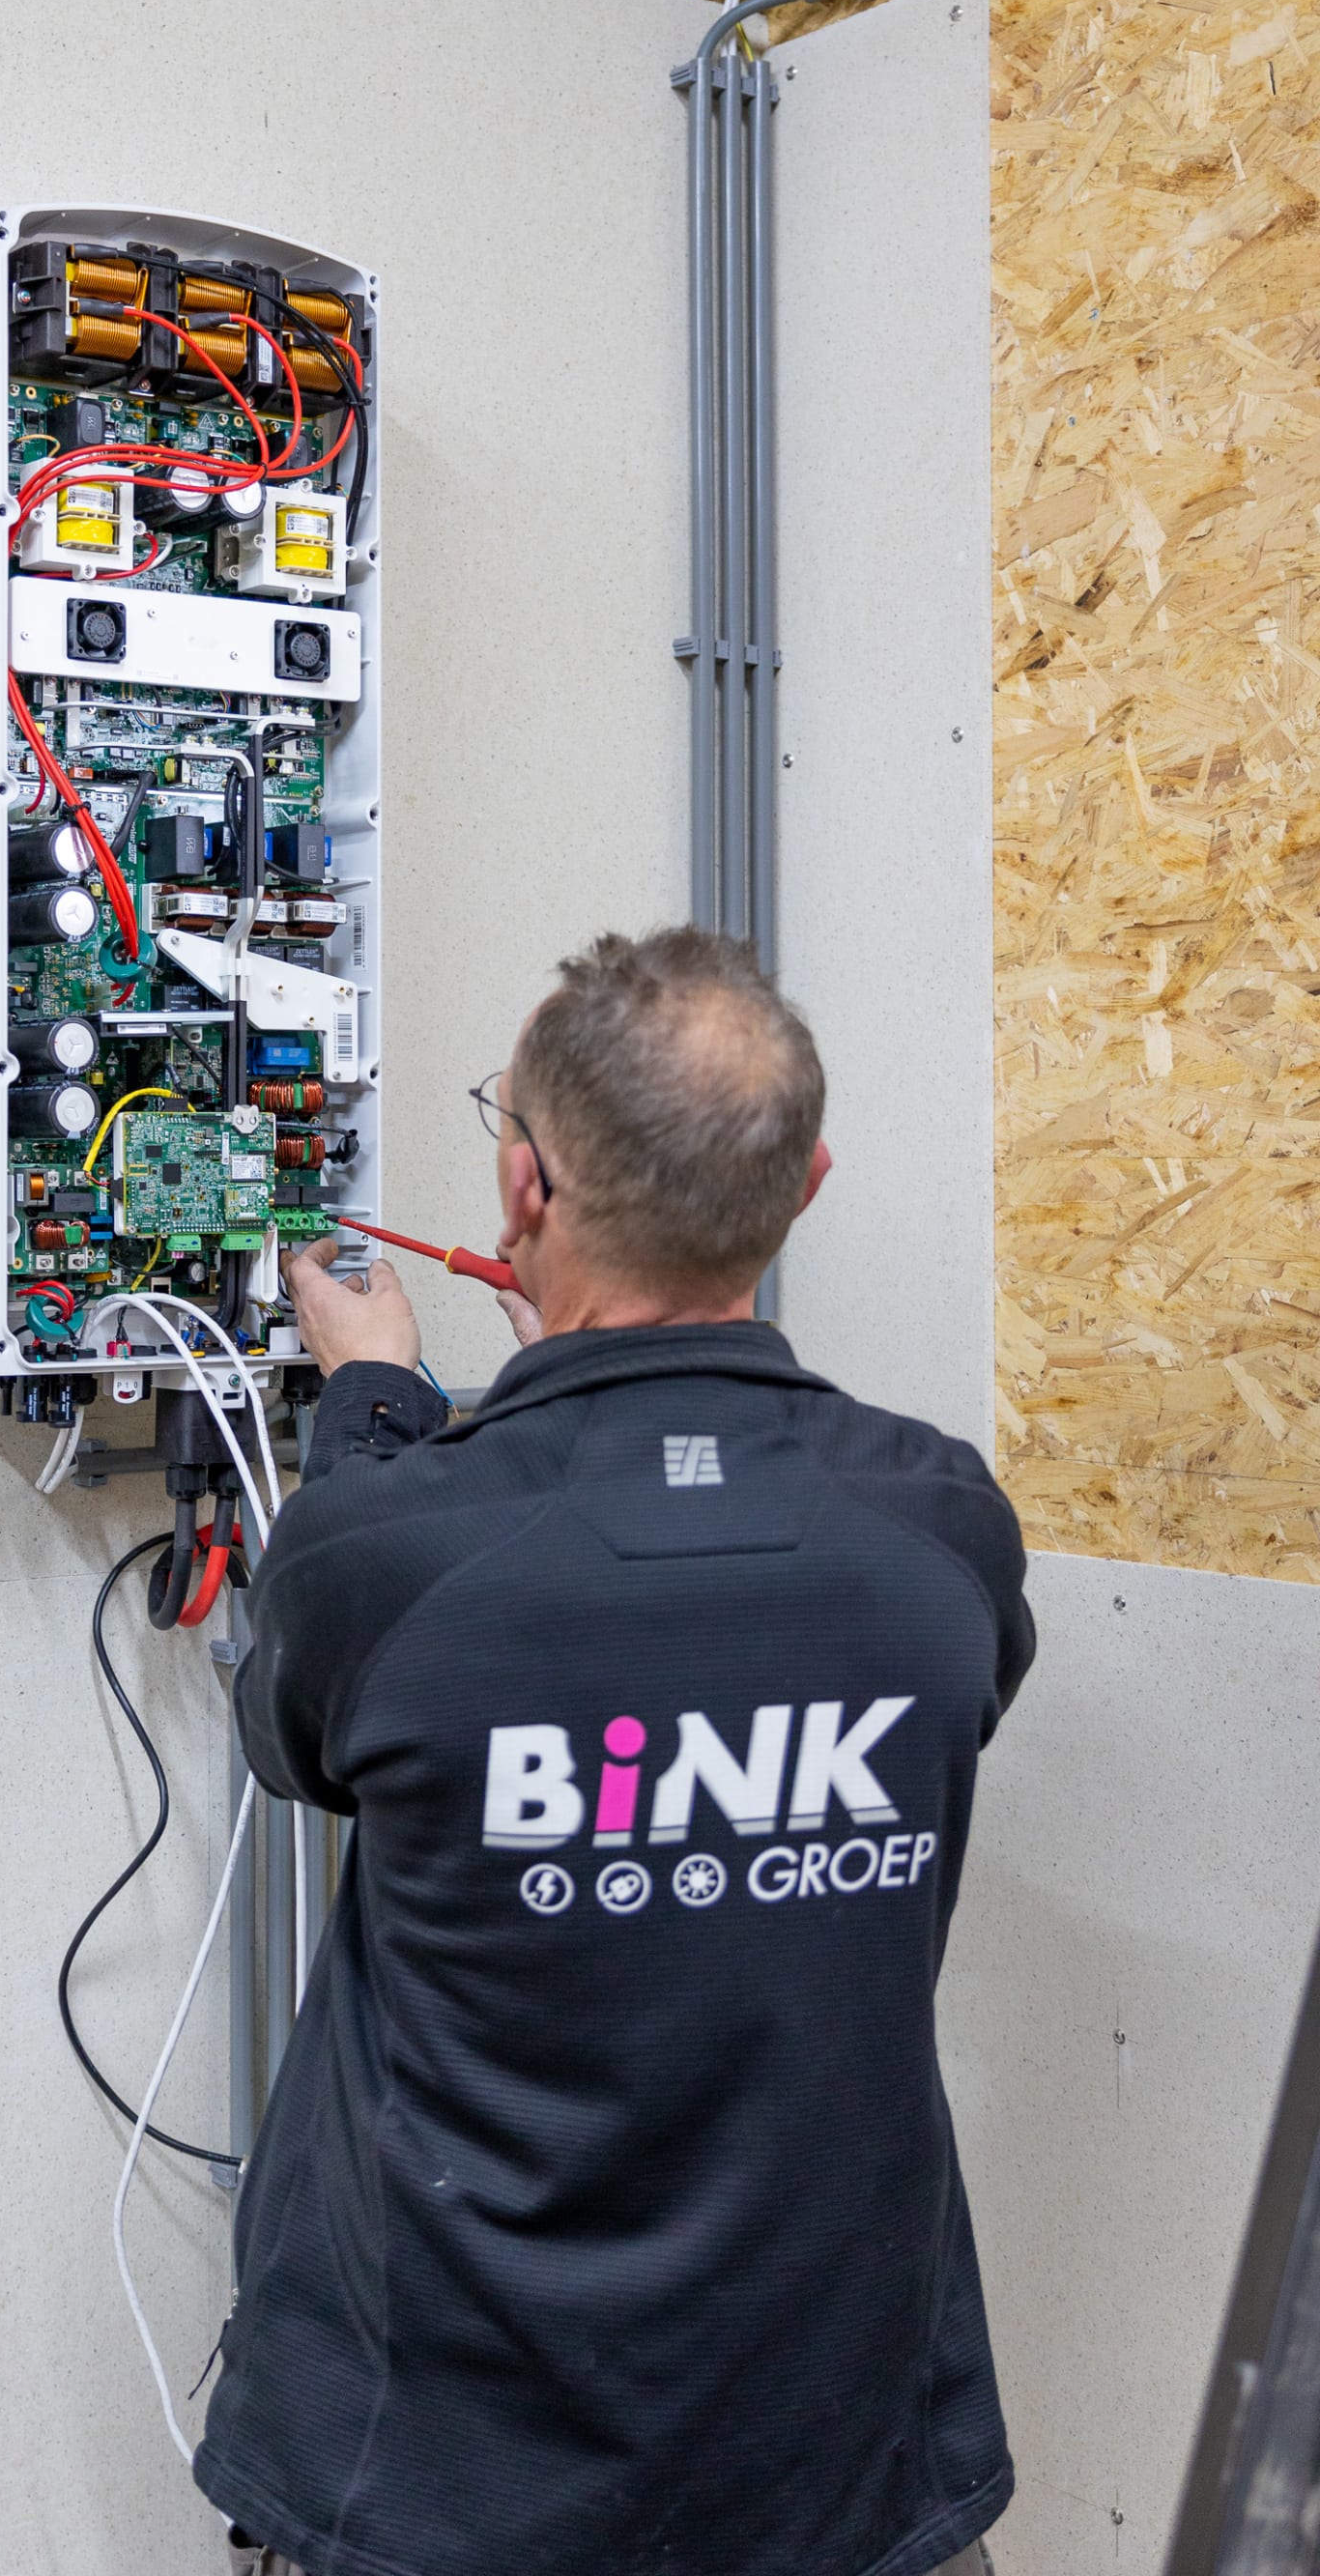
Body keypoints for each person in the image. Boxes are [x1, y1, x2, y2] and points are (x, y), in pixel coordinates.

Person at [194, 927, 1032, 2576]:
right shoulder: (942, 1527)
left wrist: (377, 1400)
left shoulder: (395, 1555)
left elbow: (299, 1734)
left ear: (523, 1187)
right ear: (805, 1187)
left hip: (444, 2480)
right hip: (842, 2469)